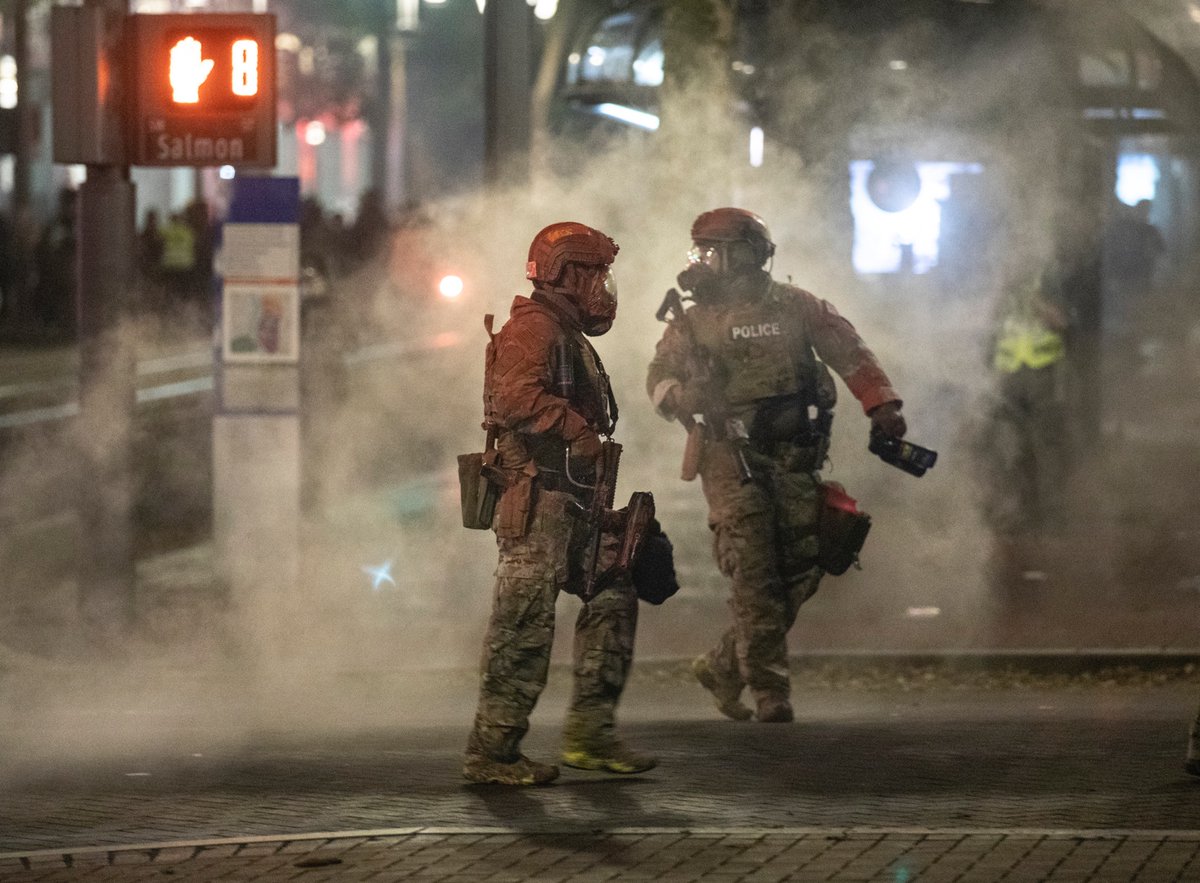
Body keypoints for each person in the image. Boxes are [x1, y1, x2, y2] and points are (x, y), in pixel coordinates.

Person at [646, 207, 908, 724]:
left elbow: (851, 353)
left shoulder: (797, 307)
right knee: (753, 567)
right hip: (725, 454)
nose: (701, 262)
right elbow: (657, 377)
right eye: (698, 251)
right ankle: (770, 690)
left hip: (794, 455)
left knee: (805, 565)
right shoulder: (691, 323)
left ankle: (725, 665)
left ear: (743, 255)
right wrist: (682, 395)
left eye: (712, 252)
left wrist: (883, 406)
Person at [463, 221, 655, 785]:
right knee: (522, 626)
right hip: (539, 505)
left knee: (614, 592)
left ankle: (590, 735)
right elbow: (514, 398)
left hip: (573, 506)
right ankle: (491, 754)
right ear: (566, 273)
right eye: (596, 273)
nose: (604, 287)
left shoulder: (562, 332)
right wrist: (575, 429)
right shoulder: (535, 331)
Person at [984, 264, 1072, 536]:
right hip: (1009, 375)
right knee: (1013, 447)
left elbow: (1063, 322)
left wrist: (1037, 303)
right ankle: (1019, 512)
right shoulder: (1001, 289)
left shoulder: (1050, 281)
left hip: (1041, 374)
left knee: (1047, 445)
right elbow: (989, 329)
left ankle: (1051, 514)